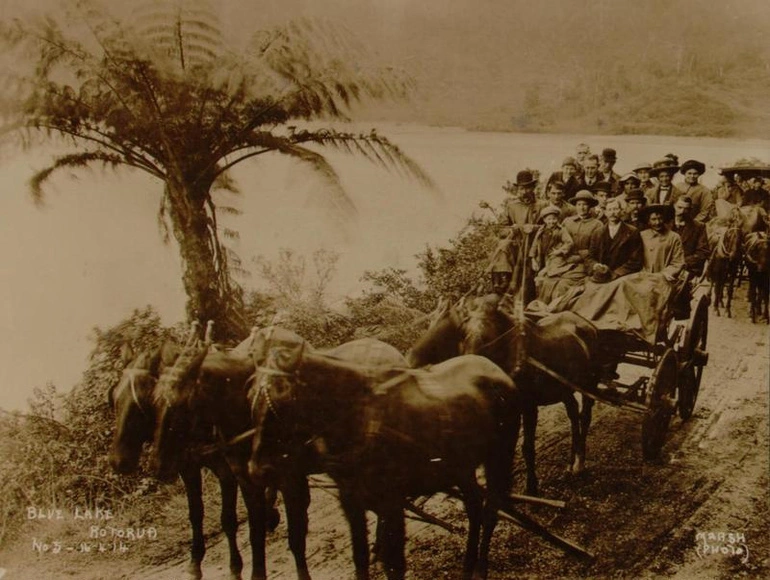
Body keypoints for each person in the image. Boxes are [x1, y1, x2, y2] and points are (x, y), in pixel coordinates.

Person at [592, 198, 643, 282]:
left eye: (615, 209)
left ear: (621, 211)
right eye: (610, 209)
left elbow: (636, 260)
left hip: (623, 275)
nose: (612, 213)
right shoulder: (597, 233)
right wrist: (596, 266)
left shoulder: (632, 232)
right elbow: (591, 256)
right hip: (602, 275)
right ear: (605, 212)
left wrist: (616, 273)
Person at [639, 204, 685, 283]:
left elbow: (678, 262)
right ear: (648, 221)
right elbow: (635, 259)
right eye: (653, 219)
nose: (657, 222)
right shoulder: (642, 236)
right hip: (643, 279)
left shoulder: (674, 237)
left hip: (664, 280)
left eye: (660, 218)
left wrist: (664, 274)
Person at [671, 196, 710, 278]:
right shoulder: (664, 224)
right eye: (679, 207)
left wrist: (682, 263)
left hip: (687, 268)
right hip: (663, 266)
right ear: (673, 206)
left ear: (690, 210)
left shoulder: (698, 227)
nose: (682, 211)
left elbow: (703, 252)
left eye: (686, 209)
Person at [530, 205, 574, 276]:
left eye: (554, 219)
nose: (552, 221)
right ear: (544, 220)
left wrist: (559, 251)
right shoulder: (541, 230)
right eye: (549, 219)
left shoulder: (561, 230)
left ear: (557, 219)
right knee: (536, 274)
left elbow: (569, 242)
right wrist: (533, 259)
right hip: (541, 256)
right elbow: (535, 244)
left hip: (554, 257)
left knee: (545, 274)